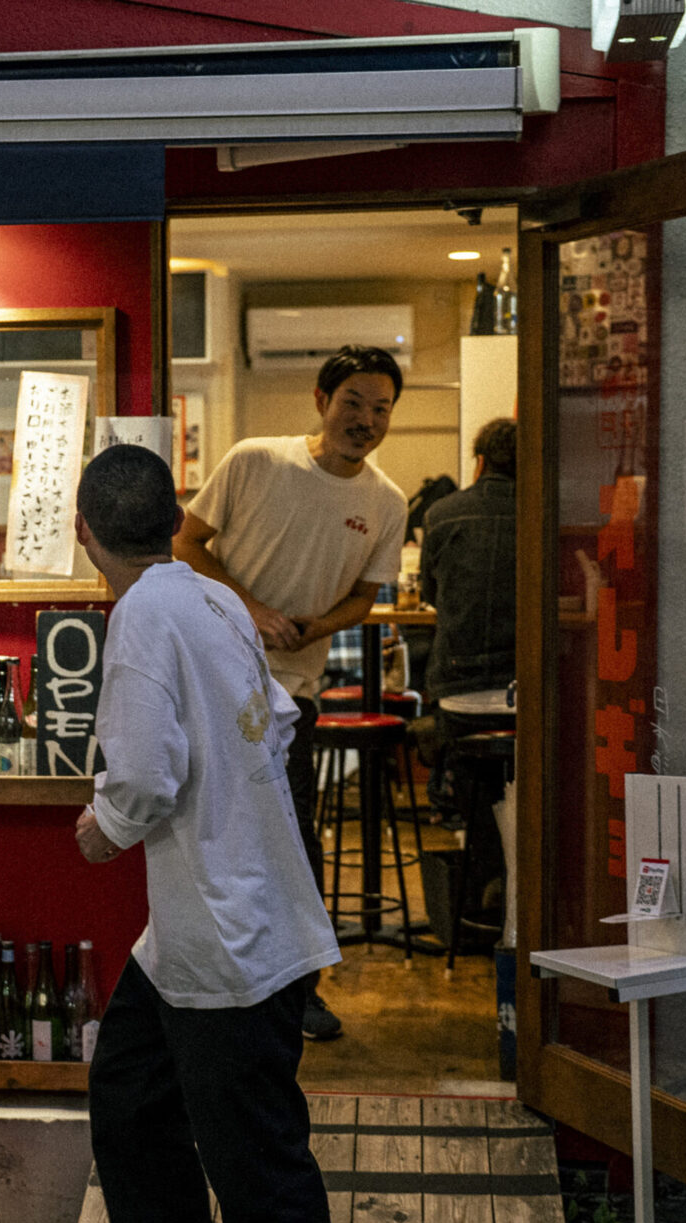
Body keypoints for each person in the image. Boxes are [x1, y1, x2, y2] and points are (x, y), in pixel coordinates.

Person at [72, 443, 341, 1223]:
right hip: (216, 918)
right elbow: (281, 721)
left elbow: (144, 776)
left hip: (229, 934)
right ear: (178, 519)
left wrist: (104, 828)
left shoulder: (141, 618)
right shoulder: (215, 598)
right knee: (129, 1096)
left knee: (257, 1161)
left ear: (83, 534)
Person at [174, 344, 408, 1041]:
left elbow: (364, 597)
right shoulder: (256, 460)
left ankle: (298, 990)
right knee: (205, 826)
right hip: (210, 677)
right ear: (321, 400)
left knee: (292, 834)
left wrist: (314, 627)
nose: (365, 420)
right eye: (353, 403)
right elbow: (187, 544)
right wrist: (251, 609)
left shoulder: (386, 502)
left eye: (381, 409)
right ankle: (204, 980)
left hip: (291, 691)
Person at [417, 417, 518, 826]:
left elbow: (429, 596)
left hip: (459, 695)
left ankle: (477, 848)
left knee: (477, 806)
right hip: (529, 696)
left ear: (480, 462)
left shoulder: (440, 514)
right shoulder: (547, 511)